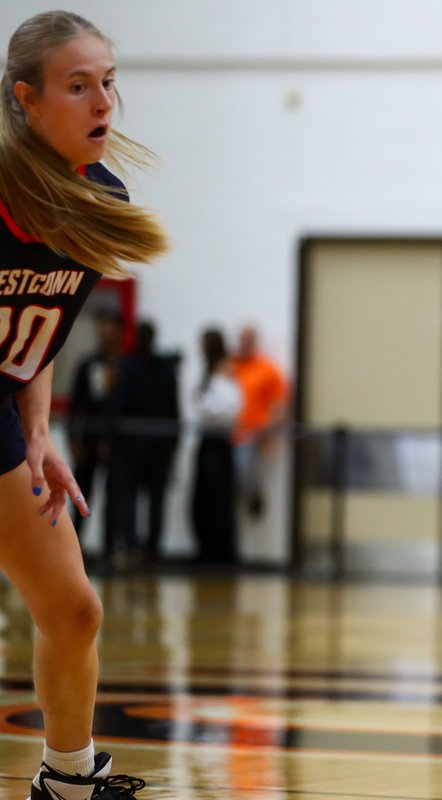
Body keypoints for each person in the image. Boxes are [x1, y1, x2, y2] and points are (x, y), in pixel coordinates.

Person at [0, 10, 167, 799]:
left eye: (107, 83)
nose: (103, 102)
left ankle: (66, 783)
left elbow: (39, 334)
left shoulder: (99, 197)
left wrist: (38, 429)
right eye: (78, 86)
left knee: (73, 612)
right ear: (27, 99)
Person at [105, 320, 180, 564]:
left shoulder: (127, 365)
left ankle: (132, 545)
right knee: (154, 497)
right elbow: (174, 408)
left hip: (132, 440)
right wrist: (173, 442)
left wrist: (110, 437)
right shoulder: (165, 367)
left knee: (129, 493)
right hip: (159, 440)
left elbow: (117, 403)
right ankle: (150, 547)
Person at [65, 308, 124, 538]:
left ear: (119, 330)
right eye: (102, 325)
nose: (105, 331)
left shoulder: (126, 365)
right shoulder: (87, 364)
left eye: (110, 325)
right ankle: (75, 543)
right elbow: (74, 405)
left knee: (115, 496)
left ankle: (110, 546)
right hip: (89, 438)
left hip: (117, 440)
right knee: (81, 493)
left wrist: (111, 440)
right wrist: (73, 438)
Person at [191, 327, 242, 565]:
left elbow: (229, 408)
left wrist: (206, 408)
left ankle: (220, 551)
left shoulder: (224, 371)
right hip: (208, 440)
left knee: (218, 499)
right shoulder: (209, 372)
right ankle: (206, 548)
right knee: (204, 497)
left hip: (219, 441)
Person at [229, 324, 287, 519]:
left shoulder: (266, 368)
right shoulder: (230, 366)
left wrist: (269, 430)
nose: (245, 343)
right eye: (242, 339)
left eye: (249, 339)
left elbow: (279, 403)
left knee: (244, 470)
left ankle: (253, 501)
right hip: (227, 432)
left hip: (252, 434)